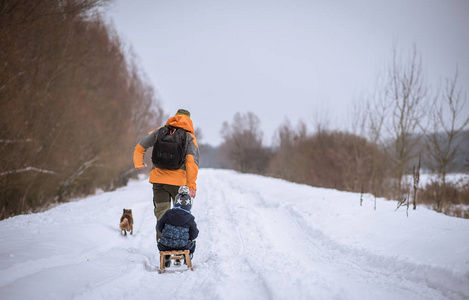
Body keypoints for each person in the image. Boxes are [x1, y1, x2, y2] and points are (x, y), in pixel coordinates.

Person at [133, 109, 199, 241]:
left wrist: (138, 162)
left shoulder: (160, 131)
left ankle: (163, 247)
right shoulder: (189, 137)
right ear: (189, 120)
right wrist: (191, 184)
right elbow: (191, 162)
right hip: (179, 184)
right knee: (182, 215)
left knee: (161, 214)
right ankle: (181, 245)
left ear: (175, 117)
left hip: (159, 182)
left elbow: (140, 147)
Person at [157, 186, 198, 267]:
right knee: (193, 243)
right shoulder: (190, 217)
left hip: (166, 245)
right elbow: (194, 233)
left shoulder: (168, 213)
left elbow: (159, 226)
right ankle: (188, 256)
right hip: (183, 245)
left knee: (160, 243)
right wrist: (189, 238)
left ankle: (166, 258)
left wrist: (166, 233)